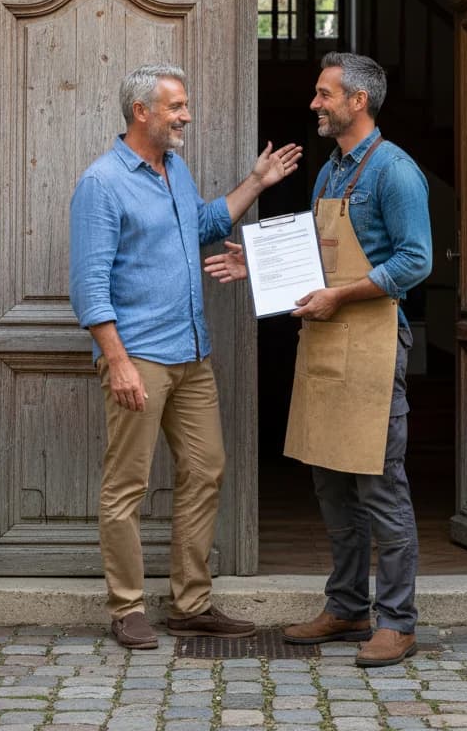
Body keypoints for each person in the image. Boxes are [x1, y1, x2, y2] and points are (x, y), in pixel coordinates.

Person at [205, 52, 431, 667]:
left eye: (325, 94)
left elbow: (415, 262)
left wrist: (341, 295)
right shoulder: (332, 172)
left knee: (380, 484)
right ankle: (347, 606)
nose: (314, 104)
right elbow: (313, 249)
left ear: (359, 101)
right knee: (332, 483)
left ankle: (398, 621)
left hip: (374, 341)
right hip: (327, 339)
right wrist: (261, 266)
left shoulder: (396, 173)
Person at [70, 62, 302, 650]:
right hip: (140, 355)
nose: (187, 117)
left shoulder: (174, 167)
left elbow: (202, 224)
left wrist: (256, 181)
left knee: (206, 470)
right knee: (127, 485)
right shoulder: (102, 183)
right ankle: (125, 608)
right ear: (141, 111)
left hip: (193, 353)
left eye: (186, 105)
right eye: (176, 107)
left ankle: (191, 604)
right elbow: (88, 285)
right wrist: (117, 361)